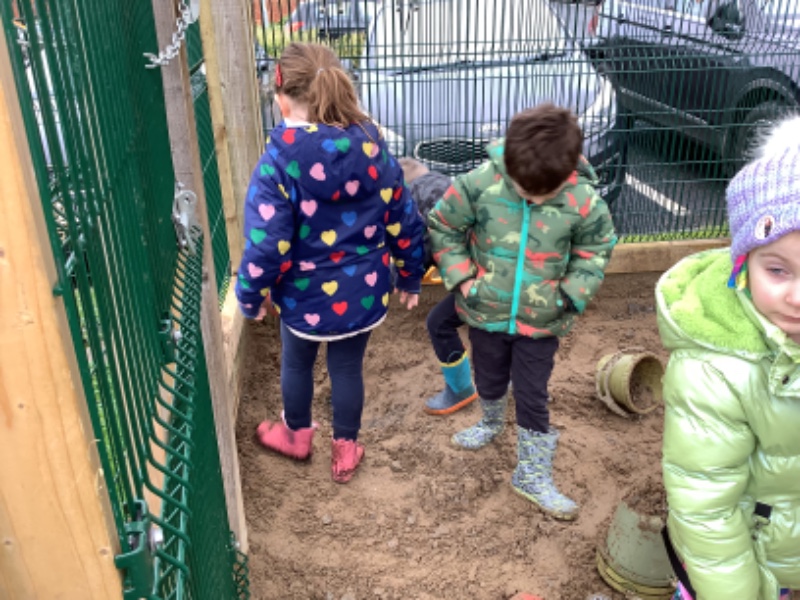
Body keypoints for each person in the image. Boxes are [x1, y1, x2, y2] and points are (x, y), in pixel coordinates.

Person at [235, 42, 426, 484]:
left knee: (296, 364)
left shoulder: (277, 164)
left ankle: (296, 436)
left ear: (282, 98)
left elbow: (267, 245)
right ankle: (345, 449)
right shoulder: (374, 149)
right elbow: (403, 217)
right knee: (346, 369)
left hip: (302, 297)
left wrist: (250, 294)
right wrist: (411, 274)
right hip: (363, 293)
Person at [427, 103, 617, 519]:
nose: (529, 196)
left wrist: (569, 295)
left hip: (541, 321)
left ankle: (531, 473)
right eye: (522, 187)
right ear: (510, 162)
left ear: (565, 174)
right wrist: (463, 279)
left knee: (532, 394)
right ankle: (491, 422)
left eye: (540, 192)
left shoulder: (583, 201)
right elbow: (444, 224)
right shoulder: (482, 182)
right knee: (489, 376)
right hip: (485, 309)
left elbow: (596, 249)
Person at [656, 116, 800, 599]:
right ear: (742, 264)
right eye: (777, 270)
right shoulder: (715, 370)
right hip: (740, 561)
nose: (798, 297)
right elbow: (706, 507)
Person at [397, 157, 479, 415]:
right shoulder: (448, 185)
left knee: (439, 323)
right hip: (499, 270)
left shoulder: (415, 201)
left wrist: (403, 277)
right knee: (490, 327)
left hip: (476, 279)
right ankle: (506, 379)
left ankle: (461, 390)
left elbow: (423, 246)